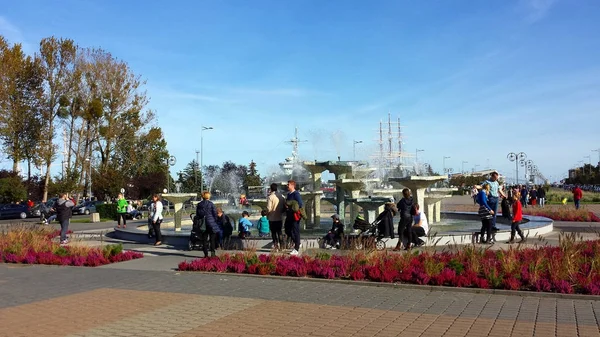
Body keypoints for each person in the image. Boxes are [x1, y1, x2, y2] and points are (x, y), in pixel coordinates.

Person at [196, 191, 221, 257]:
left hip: (203, 224)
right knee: (212, 239)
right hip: (211, 223)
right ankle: (213, 253)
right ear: (208, 196)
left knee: (204, 239)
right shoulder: (211, 204)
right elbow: (215, 214)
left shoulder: (199, 204)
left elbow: (198, 215)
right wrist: (214, 220)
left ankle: (205, 254)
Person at [284, 180, 303, 256]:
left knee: (295, 231)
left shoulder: (296, 194)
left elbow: (300, 204)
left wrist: (293, 208)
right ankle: (297, 242)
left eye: (288, 184)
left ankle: (296, 248)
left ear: (292, 185)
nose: (287, 186)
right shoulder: (289, 194)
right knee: (287, 230)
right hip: (289, 215)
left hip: (295, 216)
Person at [267, 183, 285, 251]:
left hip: (272, 218)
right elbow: (284, 206)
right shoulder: (281, 196)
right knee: (279, 232)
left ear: (271, 188)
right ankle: (282, 245)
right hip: (280, 217)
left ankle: (275, 245)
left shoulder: (270, 197)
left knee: (273, 233)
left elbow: (269, 208)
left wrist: (267, 214)